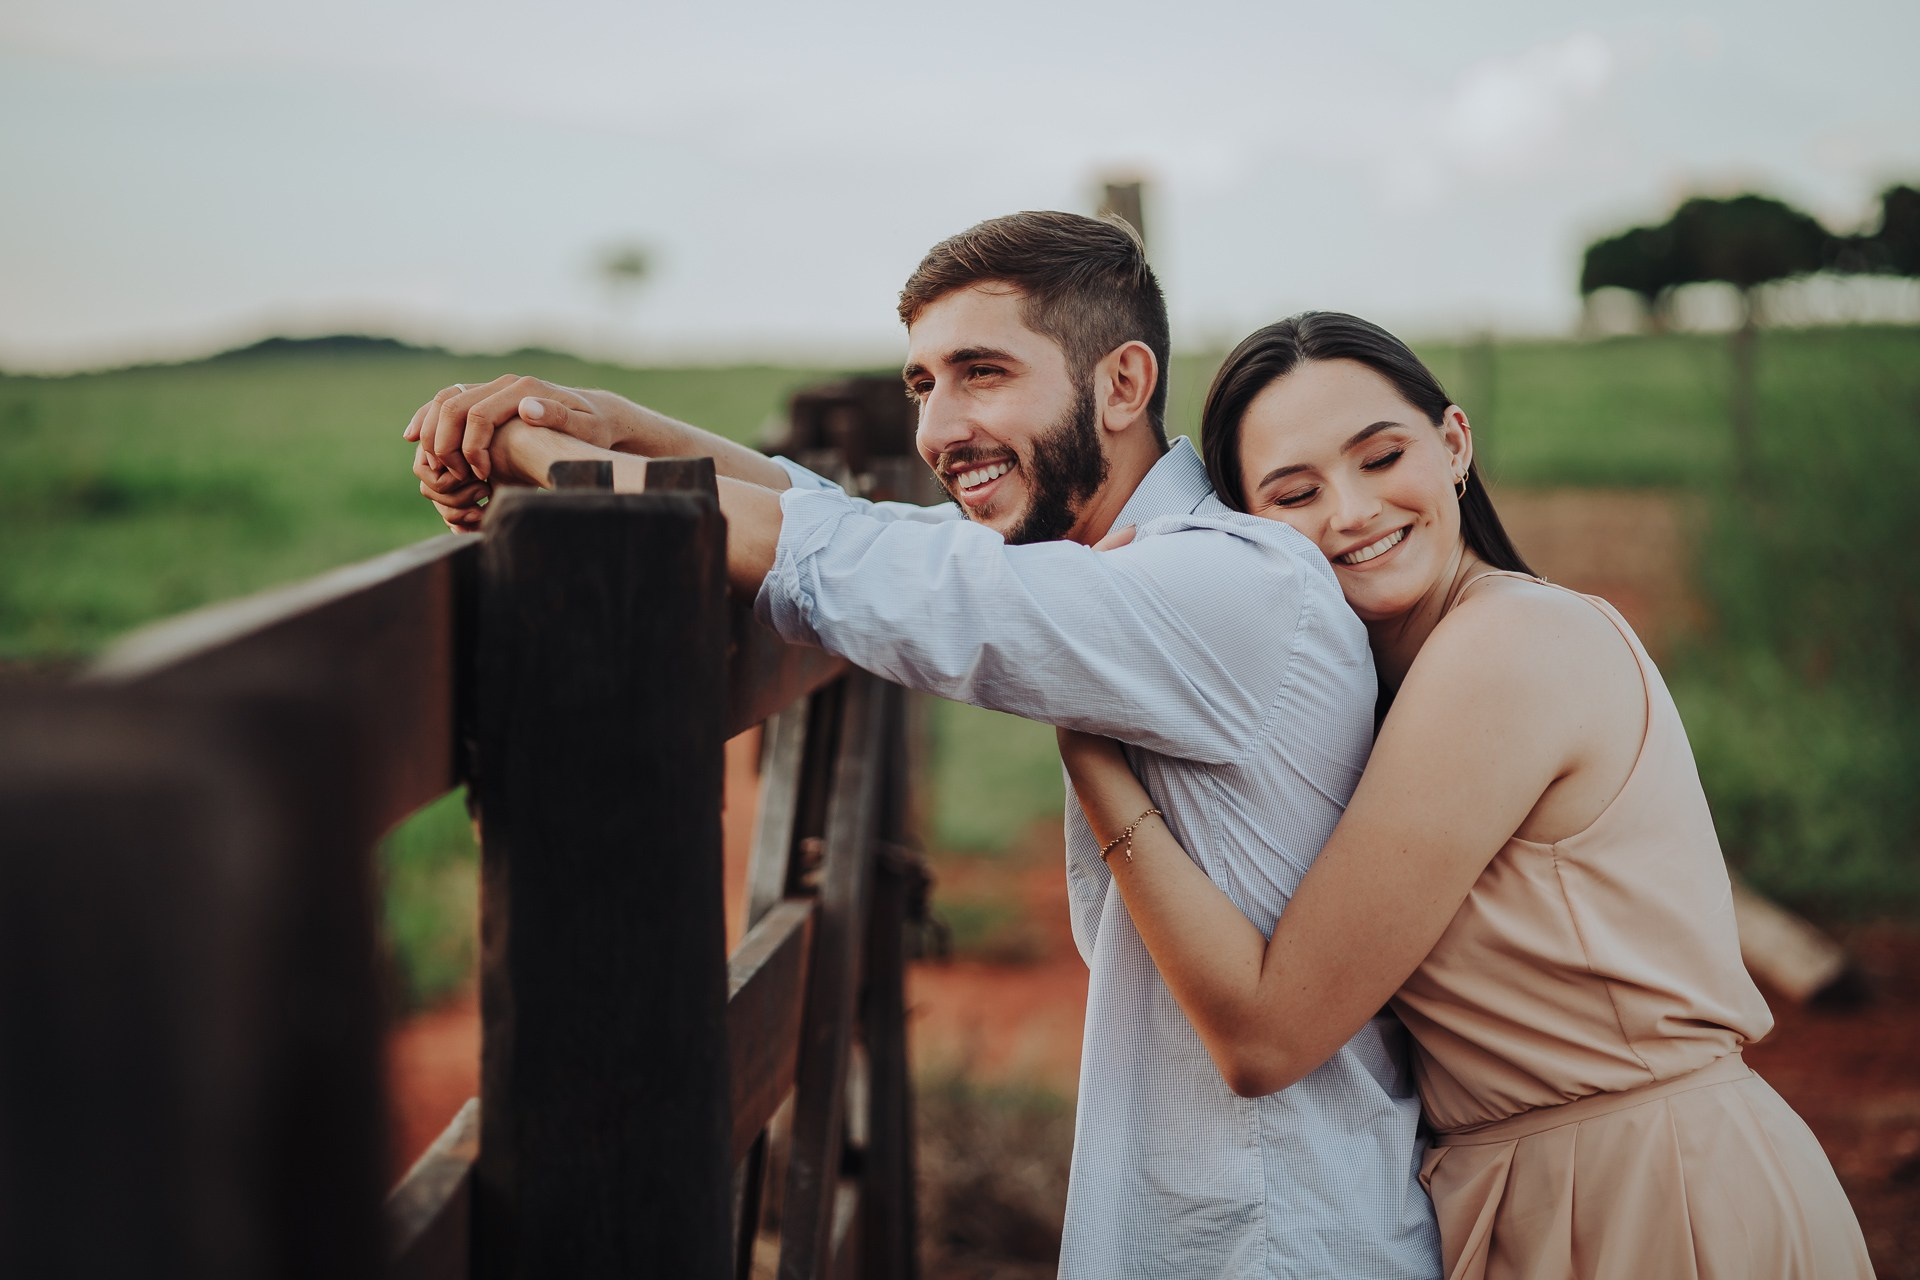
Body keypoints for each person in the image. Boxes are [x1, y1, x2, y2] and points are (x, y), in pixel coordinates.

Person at [405, 213, 1443, 1278]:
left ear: (1123, 385)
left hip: (1281, 1240)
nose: (939, 429)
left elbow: (888, 574)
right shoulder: (1110, 560)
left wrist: (532, 454)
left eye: (982, 373)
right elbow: (856, 526)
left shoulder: (1226, 582)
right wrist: (610, 424)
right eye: (921, 384)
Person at [1053, 311, 1873, 1280]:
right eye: (1295, 492)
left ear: (1453, 444)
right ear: (1249, 536)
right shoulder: (1390, 688)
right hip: (1528, 1190)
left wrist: (1088, 735)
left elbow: (1264, 1038)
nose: (1352, 511)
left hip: (1649, 1193)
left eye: (1381, 456)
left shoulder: (1506, 647)